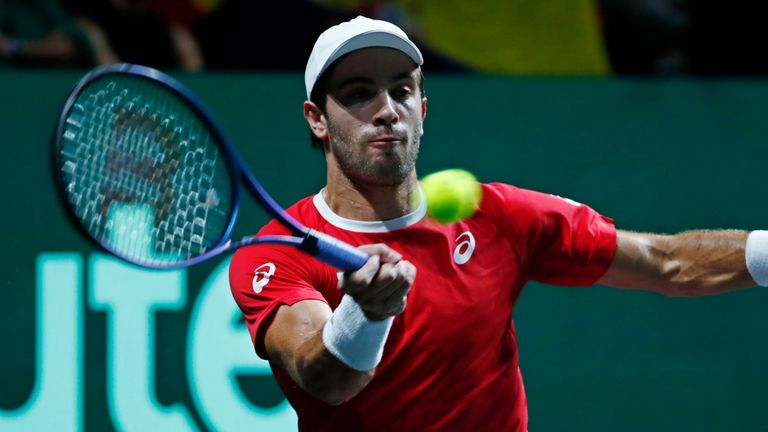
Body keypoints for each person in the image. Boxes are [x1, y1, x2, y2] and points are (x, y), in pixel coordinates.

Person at [229, 16, 764, 431]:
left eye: (402, 89)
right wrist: (366, 314)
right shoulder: (278, 252)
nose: (387, 108)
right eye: (358, 93)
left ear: (423, 106)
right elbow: (325, 380)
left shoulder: (499, 217)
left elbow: (668, 263)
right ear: (316, 118)